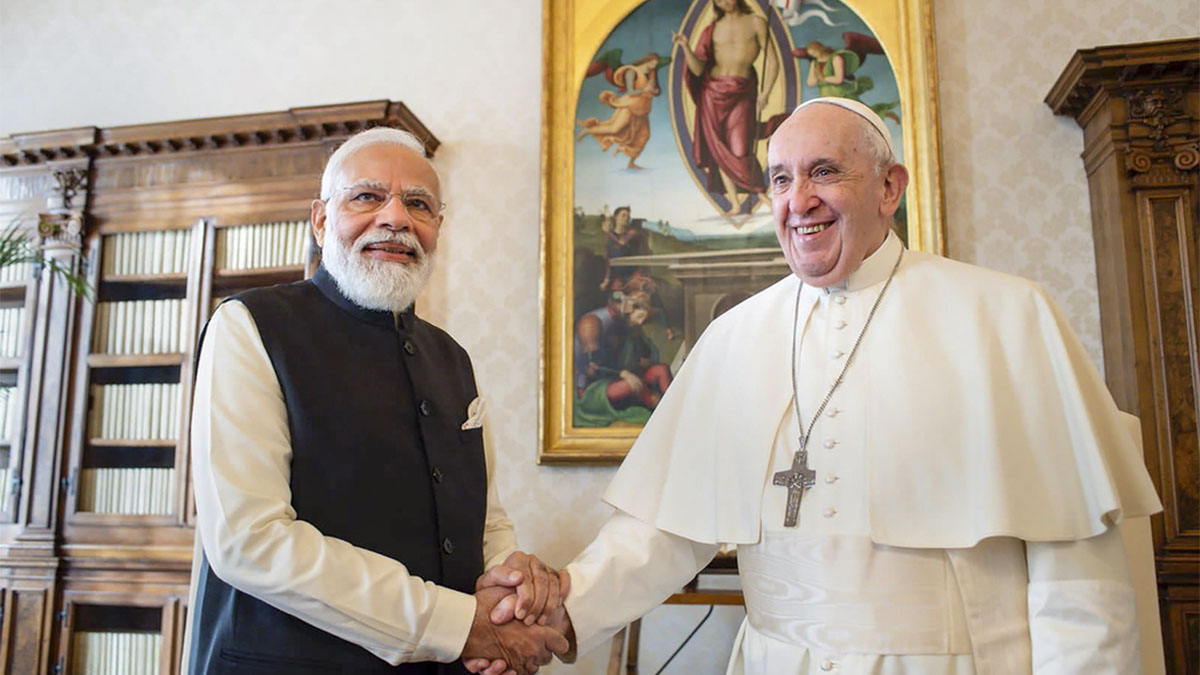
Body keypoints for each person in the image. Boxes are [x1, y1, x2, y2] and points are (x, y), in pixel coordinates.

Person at [476, 98, 1164, 674]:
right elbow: (665, 531)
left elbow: (1079, 579)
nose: (798, 200)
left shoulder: (1006, 316)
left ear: (889, 186)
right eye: (778, 179)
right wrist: (565, 600)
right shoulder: (734, 337)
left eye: (824, 172)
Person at [186, 127, 569, 675]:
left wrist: (510, 589)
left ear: (438, 226)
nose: (395, 218)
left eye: (419, 204)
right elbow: (250, 541)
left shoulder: (452, 357)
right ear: (321, 221)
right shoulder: (250, 326)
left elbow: (483, 519)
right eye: (367, 196)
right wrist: (462, 625)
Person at [672, 0, 781, 214]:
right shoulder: (712, 29)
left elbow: (773, 62)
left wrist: (765, 93)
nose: (724, 2)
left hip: (742, 91)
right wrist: (685, 46)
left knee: (740, 147)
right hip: (712, 93)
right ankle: (735, 203)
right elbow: (697, 69)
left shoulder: (756, 22)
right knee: (717, 148)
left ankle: (761, 195)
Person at [576, 53, 665, 170]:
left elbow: (655, 92)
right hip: (629, 106)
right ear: (648, 61)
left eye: (656, 64)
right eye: (654, 63)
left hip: (643, 109)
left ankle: (631, 162)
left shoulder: (651, 74)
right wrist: (645, 89)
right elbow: (631, 92)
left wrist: (653, 90)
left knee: (644, 136)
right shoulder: (632, 72)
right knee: (615, 128)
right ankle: (588, 130)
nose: (654, 66)